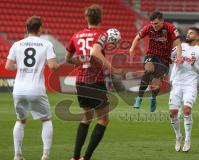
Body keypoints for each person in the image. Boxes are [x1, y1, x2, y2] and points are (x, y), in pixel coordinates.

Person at [65, 5, 122, 160]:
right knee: (103, 119)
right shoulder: (101, 34)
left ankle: (75, 157)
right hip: (95, 81)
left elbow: (68, 59)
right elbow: (95, 52)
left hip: (80, 80)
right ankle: (86, 158)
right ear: (100, 18)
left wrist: (82, 62)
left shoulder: (76, 35)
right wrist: (113, 69)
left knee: (86, 118)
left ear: (86, 18)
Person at [5, 16, 60, 160]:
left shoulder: (17, 44)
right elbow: (53, 66)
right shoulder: (46, 44)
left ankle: (17, 155)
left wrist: (21, 67)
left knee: (20, 120)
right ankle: (45, 155)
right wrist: (60, 65)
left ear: (26, 28)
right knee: (46, 120)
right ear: (40, 28)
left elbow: (8, 66)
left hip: (19, 89)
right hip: (36, 89)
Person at [129, 10, 183, 112]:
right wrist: (132, 48)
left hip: (164, 59)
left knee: (155, 84)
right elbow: (137, 37)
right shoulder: (149, 28)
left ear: (162, 21)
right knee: (148, 70)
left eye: (156, 23)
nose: (154, 26)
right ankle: (139, 98)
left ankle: (153, 97)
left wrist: (179, 56)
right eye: (152, 24)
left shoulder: (171, 28)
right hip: (151, 55)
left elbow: (178, 43)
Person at [169, 27, 199, 152]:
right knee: (173, 113)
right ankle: (178, 136)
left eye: (191, 33)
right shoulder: (180, 46)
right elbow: (169, 58)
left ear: (197, 36)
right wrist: (174, 60)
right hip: (177, 83)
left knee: (187, 110)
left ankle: (187, 139)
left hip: (190, 84)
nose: (188, 34)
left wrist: (194, 65)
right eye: (188, 32)